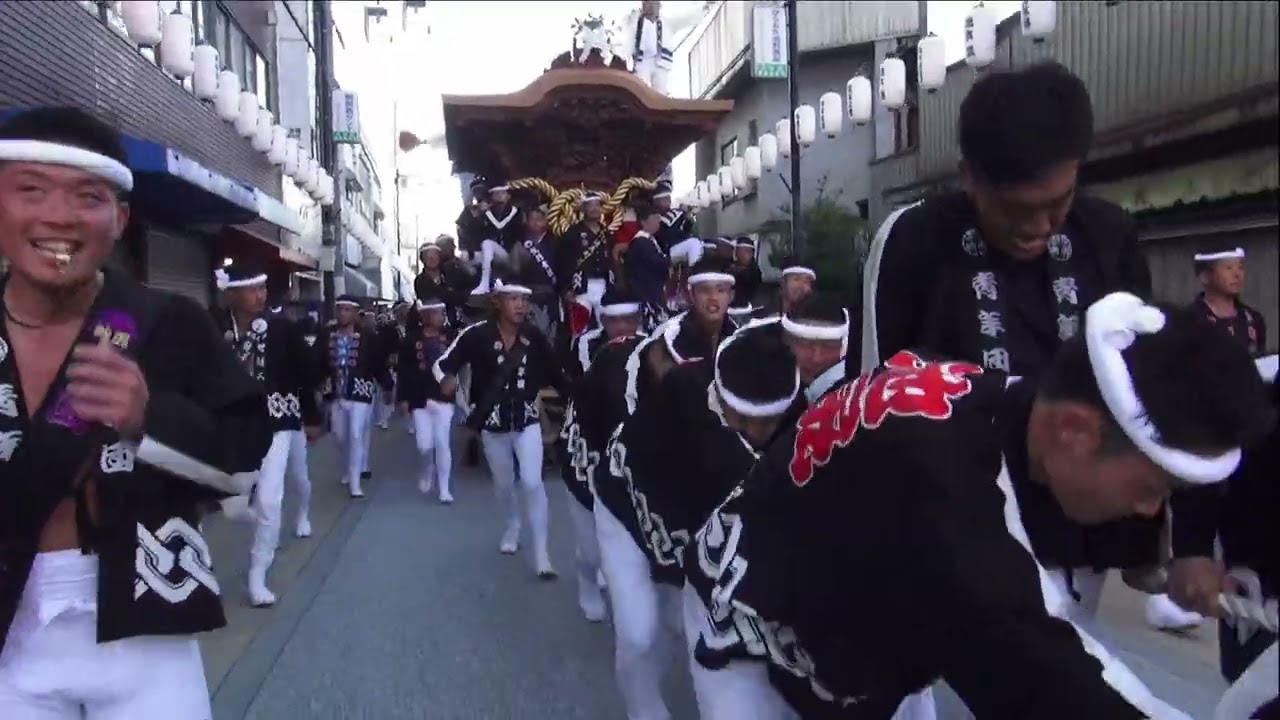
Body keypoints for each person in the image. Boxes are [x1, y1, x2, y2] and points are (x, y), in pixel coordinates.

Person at [686, 292, 1271, 719]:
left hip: (859, 608)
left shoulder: (999, 398)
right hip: (750, 624)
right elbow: (1057, 680)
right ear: (1076, 429)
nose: (1149, 511)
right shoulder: (946, 500)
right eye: (1152, 488)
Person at [861, 60, 1159, 618]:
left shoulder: (1109, 236)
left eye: (1058, 203)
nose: (1040, 226)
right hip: (958, 530)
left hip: (1076, 531)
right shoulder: (914, 241)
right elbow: (878, 395)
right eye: (1017, 209)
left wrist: (1146, 534)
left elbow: (1137, 390)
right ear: (969, 175)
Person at [0, 106, 272, 715]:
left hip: (143, 624)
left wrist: (151, 420)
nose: (58, 216)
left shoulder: (170, 323)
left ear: (119, 219)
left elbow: (244, 457)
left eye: (86, 196)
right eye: (31, 189)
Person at [592, 256, 739, 720]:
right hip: (631, 496)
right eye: (704, 289)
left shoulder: (747, 344)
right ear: (690, 293)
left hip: (697, 505)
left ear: (731, 294)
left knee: (688, 625)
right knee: (638, 633)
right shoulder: (666, 345)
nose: (713, 298)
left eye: (722, 288)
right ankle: (643, 710)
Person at [433, 277, 570, 578]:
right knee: (504, 485)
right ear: (497, 302)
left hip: (527, 420)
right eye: (513, 299)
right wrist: (446, 378)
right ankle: (512, 524)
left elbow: (557, 375)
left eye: (524, 299)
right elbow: (444, 363)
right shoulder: (475, 335)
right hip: (492, 424)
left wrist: (576, 401)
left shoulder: (534, 336)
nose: (521, 305)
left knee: (533, 483)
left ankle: (542, 554)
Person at [212, 261, 323, 607]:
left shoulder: (280, 328)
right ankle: (264, 523)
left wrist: (312, 415)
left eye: (262, 288)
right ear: (231, 294)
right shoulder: (214, 327)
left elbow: (307, 373)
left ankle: (257, 576)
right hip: (233, 424)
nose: (260, 295)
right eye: (251, 289)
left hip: (279, 420)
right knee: (231, 506)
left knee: (272, 497)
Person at [559, 287, 646, 623]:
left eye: (629, 319)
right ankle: (586, 581)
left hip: (630, 453)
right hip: (585, 449)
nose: (623, 327)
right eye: (614, 321)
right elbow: (591, 391)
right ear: (602, 320)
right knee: (590, 543)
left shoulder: (653, 346)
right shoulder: (585, 345)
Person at [320, 295, 391, 498]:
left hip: (361, 392)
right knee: (340, 436)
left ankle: (355, 481)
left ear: (355, 313)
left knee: (356, 434)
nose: (342, 314)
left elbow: (378, 363)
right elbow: (317, 361)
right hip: (335, 393)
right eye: (340, 309)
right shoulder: (327, 335)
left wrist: (387, 385)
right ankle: (348, 467)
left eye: (347, 310)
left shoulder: (368, 337)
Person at [397, 296, 456, 505]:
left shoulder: (450, 337)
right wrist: (402, 399)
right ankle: (426, 469)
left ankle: (444, 488)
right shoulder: (410, 340)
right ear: (426, 315)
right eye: (438, 313)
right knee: (424, 445)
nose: (442, 317)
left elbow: (461, 362)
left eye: (443, 313)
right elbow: (403, 371)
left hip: (444, 398)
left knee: (442, 442)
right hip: (419, 397)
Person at [556, 191, 614, 336]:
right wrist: (566, 289)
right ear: (583, 209)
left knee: (606, 327)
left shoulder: (606, 234)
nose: (594, 209)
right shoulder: (572, 233)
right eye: (590, 205)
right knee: (579, 330)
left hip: (603, 285)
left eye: (597, 205)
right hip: (581, 286)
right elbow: (563, 263)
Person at [510, 205, 561, 342]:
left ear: (546, 221)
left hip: (552, 294)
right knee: (530, 333)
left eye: (539, 218)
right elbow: (514, 273)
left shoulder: (555, 242)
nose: (536, 222)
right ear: (526, 221)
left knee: (553, 332)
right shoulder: (520, 244)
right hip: (529, 295)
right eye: (532, 219)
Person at [623, 205, 671, 333]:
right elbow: (655, 262)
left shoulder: (651, 240)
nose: (658, 222)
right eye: (654, 218)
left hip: (654, 291)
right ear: (643, 222)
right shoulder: (640, 242)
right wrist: (672, 260)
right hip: (646, 293)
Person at [472, 179, 524, 296]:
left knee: (487, 244)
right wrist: (479, 216)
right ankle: (485, 283)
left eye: (502, 193)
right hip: (493, 254)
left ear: (508, 196)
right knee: (477, 253)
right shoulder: (487, 214)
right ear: (492, 197)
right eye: (496, 194)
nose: (500, 196)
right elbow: (477, 235)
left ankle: (488, 283)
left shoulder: (516, 213)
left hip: (510, 255)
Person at [414, 236, 478, 331]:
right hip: (435, 328)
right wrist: (457, 296)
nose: (432, 258)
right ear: (422, 259)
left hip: (459, 323)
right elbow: (438, 298)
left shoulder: (451, 273)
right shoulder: (420, 280)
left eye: (434, 254)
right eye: (427, 255)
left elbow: (470, 287)